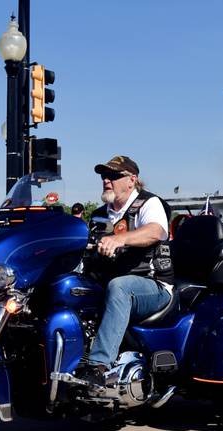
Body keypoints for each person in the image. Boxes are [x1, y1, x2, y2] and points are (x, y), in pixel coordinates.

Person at [78, 155, 173, 388]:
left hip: (152, 286)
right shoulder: (100, 214)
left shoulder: (148, 203)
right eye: (104, 176)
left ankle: (98, 367)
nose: (106, 180)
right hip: (108, 284)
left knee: (120, 286)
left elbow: (155, 231)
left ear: (132, 180)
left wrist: (119, 240)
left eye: (113, 176)